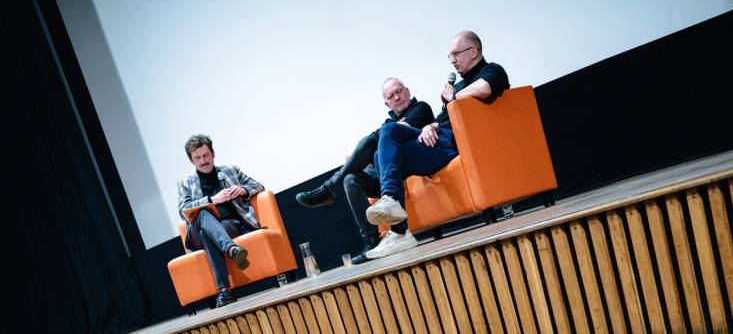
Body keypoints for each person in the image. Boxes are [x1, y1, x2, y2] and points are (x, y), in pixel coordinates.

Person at [365, 30, 510, 259]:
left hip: (452, 145)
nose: (452, 60)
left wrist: (453, 97)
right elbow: (443, 119)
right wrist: (429, 126)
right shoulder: (458, 86)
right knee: (385, 141)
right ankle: (398, 225)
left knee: (388, 136)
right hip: (436, 139)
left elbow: (484, 89)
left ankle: (396, 220)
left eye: (456, 54)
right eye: (450, 55)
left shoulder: (493, 71)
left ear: (474, 52)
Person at [295, 78, 433, 264]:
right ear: (387, 104)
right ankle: (371, 241)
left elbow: (394, 131)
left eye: (399, 91)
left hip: (413, 162)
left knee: (372, 140)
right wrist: (359, 157)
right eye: (391, 96)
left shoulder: (421, 108)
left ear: (407, 91)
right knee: (351, 180)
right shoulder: (388, 121)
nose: (397, 97)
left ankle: (328, 190)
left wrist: (375, 140)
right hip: (388, 172)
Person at [177, 134, 265, 307]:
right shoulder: (185, 183)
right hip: (198, 230)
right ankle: (231, 249)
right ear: (191, 161)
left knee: (206, 234)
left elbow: (258, 185)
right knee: (203, 214)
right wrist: (212, 200)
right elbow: (182, 210)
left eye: (206, 155)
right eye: (197, 158)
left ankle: (224, 291)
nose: (203, 161)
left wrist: (243, 190)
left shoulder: (230, 170)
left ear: (213, 153)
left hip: (230, 225)